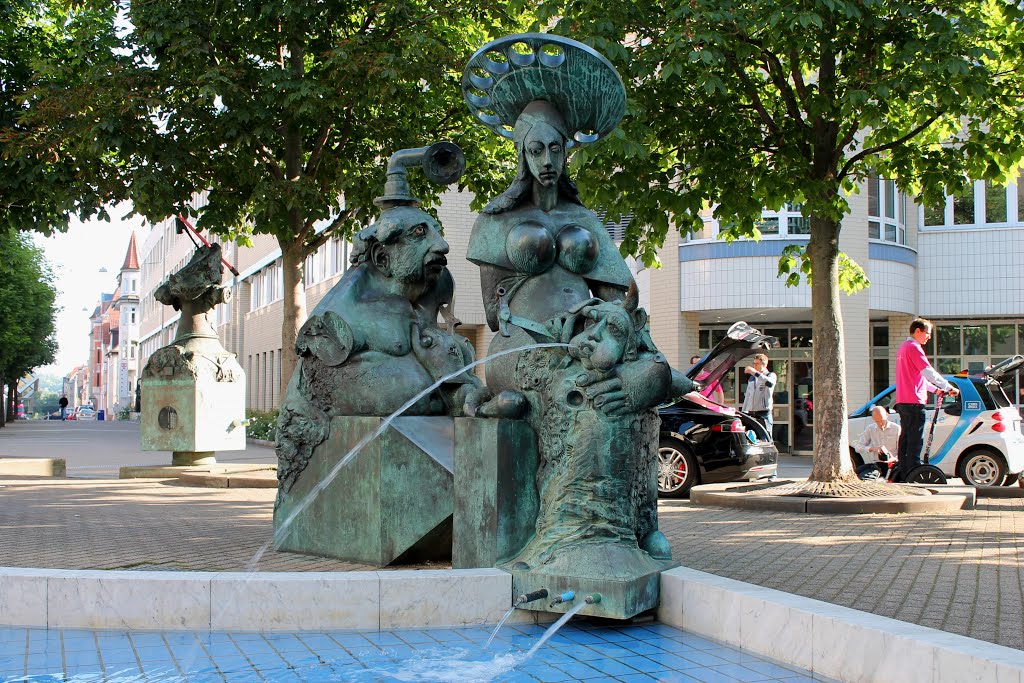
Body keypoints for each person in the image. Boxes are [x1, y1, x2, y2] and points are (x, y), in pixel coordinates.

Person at [894, 318, 958, 481]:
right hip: (914, 402)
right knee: (915, 440)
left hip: (904, 400)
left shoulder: (903, 348)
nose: (928, 337)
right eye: (927, 333)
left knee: (906, 439)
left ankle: (904, 471)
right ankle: (914, 472)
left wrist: (937, 390)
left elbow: (919, 378)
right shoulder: (914, 348)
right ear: (917, 331)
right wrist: (948, 386)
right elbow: (927, 371)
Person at [854, 405, 901, 479]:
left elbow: (902, 450)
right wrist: (872, 449)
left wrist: (894, 458)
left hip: (893, 464)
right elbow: (858, 447)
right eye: (877, 421)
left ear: (887, 415)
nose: (880, 424)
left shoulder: (896, 428)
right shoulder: (870, 428)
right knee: (857, 472)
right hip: (877, 464)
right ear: (873, 419)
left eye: (882, 420)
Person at [741, 353, 776, 434]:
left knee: (765, 438)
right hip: (751, 414)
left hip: (763, 414)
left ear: (763, 365)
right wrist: (743, 412)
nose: (754, 366)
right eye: (754, 363)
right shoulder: (752, 378)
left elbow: (769, 383)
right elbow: (748, 396)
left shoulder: (770, 375)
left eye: (757, 364)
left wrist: (754, 373)